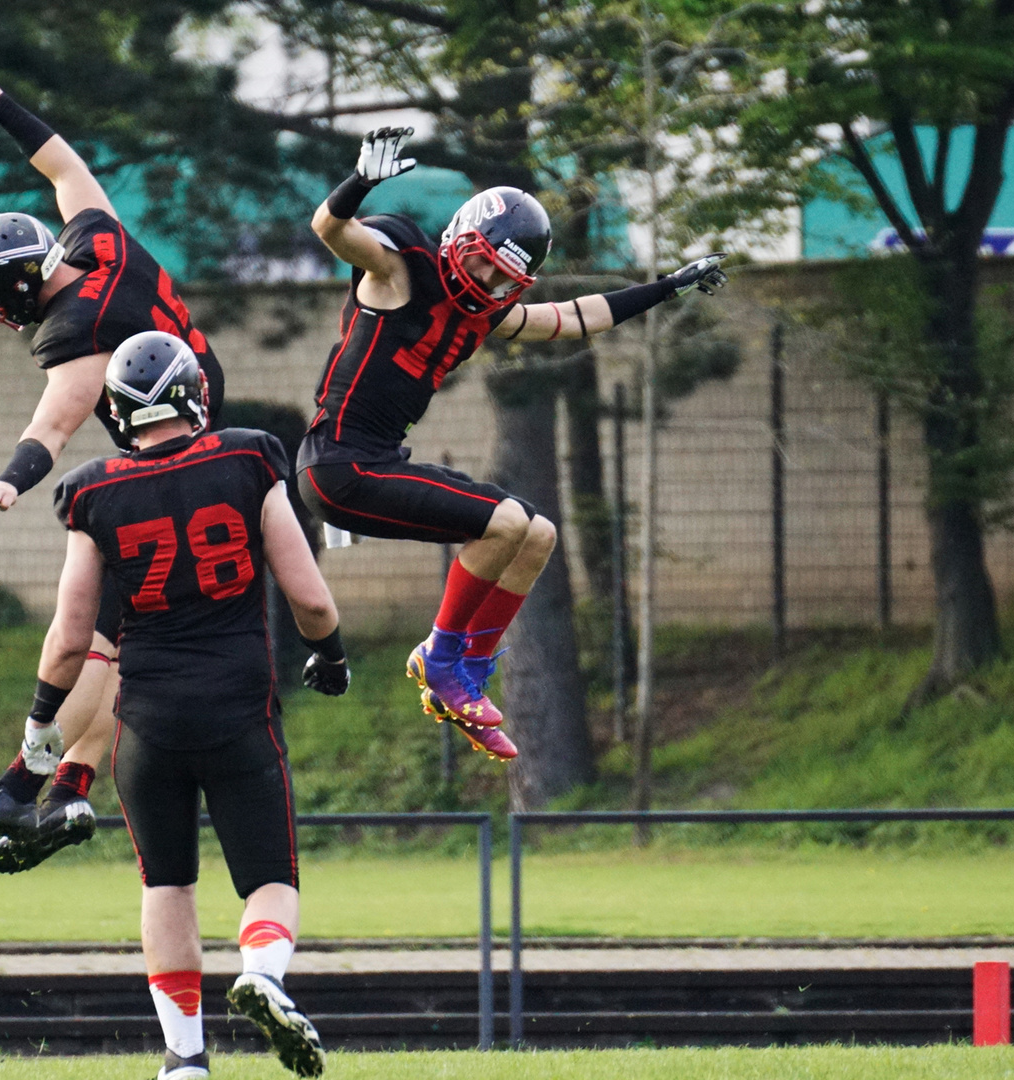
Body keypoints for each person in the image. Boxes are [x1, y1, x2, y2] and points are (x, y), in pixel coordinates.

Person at [301, 126, 729, 760]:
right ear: (459, 243)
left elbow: (575, 319)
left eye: (502, 278)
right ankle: (441, 660)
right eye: (482, 263)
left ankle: (467, 670)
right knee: (502, 523)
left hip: (375, 463)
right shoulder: (398, 272)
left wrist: (668, 286)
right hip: (338, 464)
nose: (486, 281)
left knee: (538, 535)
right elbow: (331, 231)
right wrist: (360, 182)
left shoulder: (485, 311)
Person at [12, 331, 346, 1080]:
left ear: (122, 411)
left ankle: (184, 1058)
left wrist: (40, 727)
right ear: (195, 393)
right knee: (269, 878)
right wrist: (332, 654)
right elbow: (310, 597)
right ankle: (261, 976)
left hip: (147, 723)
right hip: (237, 709)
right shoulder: (249, 455)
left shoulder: (92, 489)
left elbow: (70, 638)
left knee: (166, 882)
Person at [0, 59, 226, 867]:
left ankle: (24, 786)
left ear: (12, 291)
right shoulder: (100, 242)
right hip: (205, 449)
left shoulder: (74, 331)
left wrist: (6, 482)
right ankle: (69, 792)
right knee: (120, 648)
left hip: (170, 474)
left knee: (91, 638)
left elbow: (51, 427)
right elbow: (65, 165)